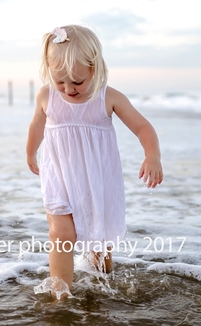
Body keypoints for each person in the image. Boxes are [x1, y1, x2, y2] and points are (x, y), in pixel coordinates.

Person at [26, 24, 163, 298]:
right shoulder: (46, 96)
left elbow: (142, 127)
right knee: (61, 236)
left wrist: (152, 156)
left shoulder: (107, 97)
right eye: (60, 81)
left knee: (99, 241)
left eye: (78, 81)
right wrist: (30, 152)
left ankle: (102, 282)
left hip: (97, 180)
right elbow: (37, 126)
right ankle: (61, 296)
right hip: (60, 178)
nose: (68, 89)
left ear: (95, 68)